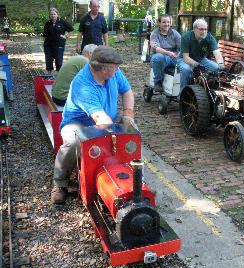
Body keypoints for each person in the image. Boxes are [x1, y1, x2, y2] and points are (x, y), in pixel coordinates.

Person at [51, 46, 135, 204]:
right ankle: (60, 183)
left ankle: (135, 179)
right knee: (73, 142)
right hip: (79, 122)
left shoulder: (113, 72)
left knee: (132, 134)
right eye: (115, 68)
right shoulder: (82, 85)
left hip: (107, 118)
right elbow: (101, 120)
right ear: (103, 69)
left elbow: (127, 91)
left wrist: (128, 113)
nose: (118, 71)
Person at [177, 18, 225, 91]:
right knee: (186, 70)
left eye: (205, 29)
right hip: (184, 59)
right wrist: (197, 65)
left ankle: (209, 91)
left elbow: (217, 53)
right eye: (201, 29)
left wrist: (221, 64)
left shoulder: (209, 37)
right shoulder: (186, 37)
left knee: (216, 68)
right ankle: (182, 93)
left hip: (201, 59)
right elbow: (186, 58)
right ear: (194, 29)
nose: (204, 31)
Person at [150, 14, 181, 92]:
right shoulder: (154, 33)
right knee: (158, 57)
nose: (166, 24)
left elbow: (182, 46)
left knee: (187, 62)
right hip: (161, 56)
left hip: (174, 56)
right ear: (159, 23)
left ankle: (184, 85)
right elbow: (156, 48)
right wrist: (168, 53)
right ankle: (158, 82)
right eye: (164, 22)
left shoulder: (175, 33)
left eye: (168, 22)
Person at [43, 8, 74, 74]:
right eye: (51, 14)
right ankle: (49, 75)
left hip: (59, 45)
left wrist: (66, 36)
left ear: (57, 14)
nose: (53, 15)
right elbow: (44, 35)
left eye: (54, 14)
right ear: (49, 15)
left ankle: (58, 75)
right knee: (48, 60)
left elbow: (71, 30)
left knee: (59, 61)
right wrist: (44, 44)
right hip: (48, 45)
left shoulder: (62, 22)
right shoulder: (47, 23)